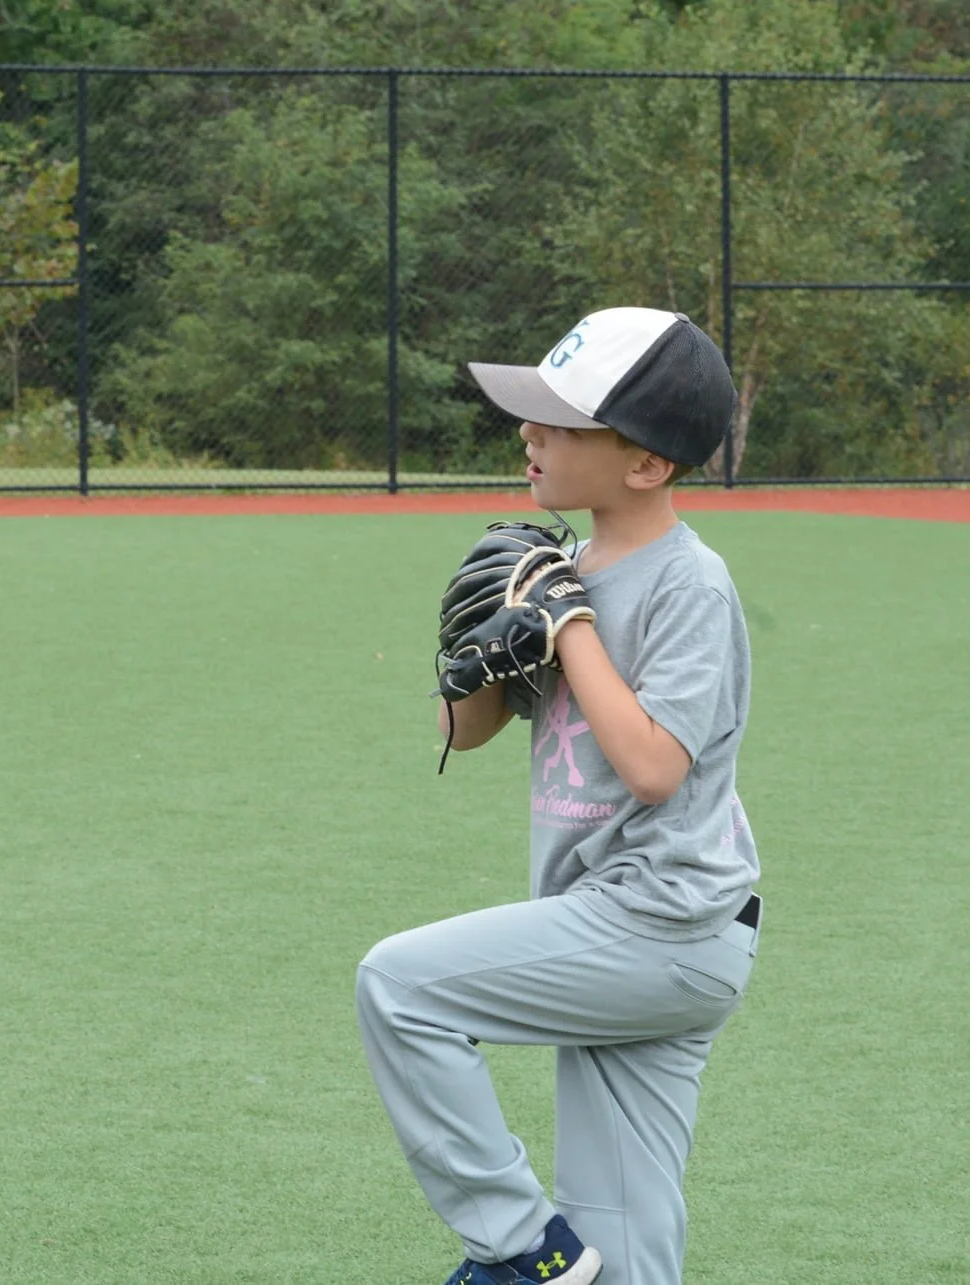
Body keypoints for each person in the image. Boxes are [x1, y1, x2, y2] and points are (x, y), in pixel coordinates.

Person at [356, 308, 762, 1285]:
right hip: (619, 926)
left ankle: (516, 1247)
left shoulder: (688, 585)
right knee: (623, 1249)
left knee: (399, 989)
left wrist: (566, 625)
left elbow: (654, 767)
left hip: (663, 923)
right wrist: (474, 650)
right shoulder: (561, 567)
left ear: (645, 464)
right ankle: (568, 1258)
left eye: (560, 421)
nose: (529, 434)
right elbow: (467, 734)